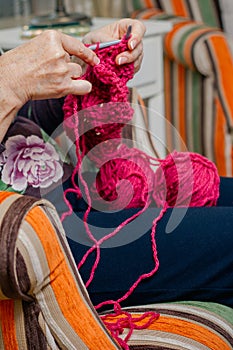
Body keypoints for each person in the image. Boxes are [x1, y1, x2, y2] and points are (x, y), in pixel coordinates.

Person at [0, 17, 233, 314]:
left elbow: (24, 124)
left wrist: (87, 66)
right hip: (42, 241)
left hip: (82, 196)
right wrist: (8, 83)